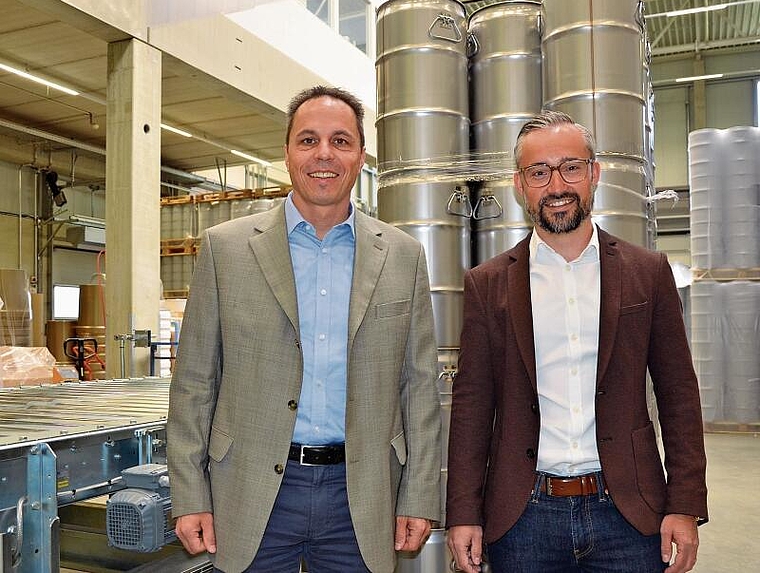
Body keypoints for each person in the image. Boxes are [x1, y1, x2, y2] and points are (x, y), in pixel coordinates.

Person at [167, 85, 441, 573]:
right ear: (287, 152)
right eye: (308, 139)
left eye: (341, 141)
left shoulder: (403, 256)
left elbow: (419, 387)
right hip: (251, 488)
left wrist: (419, 492)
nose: (324, 154)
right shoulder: (224, 250)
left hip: (362, 494)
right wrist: (189, 493)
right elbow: (193, 384)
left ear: (360, 156)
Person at [446, 110, 707, 573]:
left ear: (594, 174)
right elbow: (471, 405)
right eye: (539, 172)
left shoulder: (647, 273)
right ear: (520, 185)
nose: (556, 185)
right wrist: (465, 511)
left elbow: (679, 395)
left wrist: (683, 503)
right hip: (523, 517)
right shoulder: (488, 285)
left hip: (628, 512)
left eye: (571, 167)